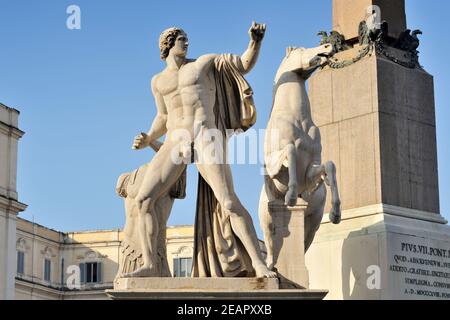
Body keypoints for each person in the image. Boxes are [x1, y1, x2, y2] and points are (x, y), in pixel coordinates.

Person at [128, 22, 276, 278]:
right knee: (143, 200)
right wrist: (149, 137)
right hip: (176, 140)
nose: (186, 43)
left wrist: (255, 42)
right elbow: (163, 116)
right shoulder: (158, 81)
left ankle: (259, 264)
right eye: (181, 39)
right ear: (168, 45)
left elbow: (243, 65)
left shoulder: (203, 64)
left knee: (229, 201)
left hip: (205, 135)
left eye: (186, 38)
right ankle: (151, 265)